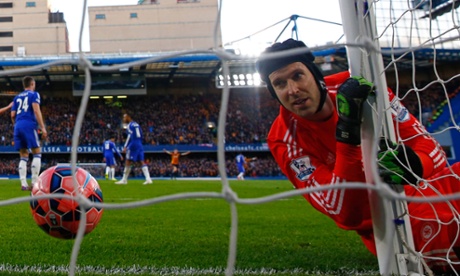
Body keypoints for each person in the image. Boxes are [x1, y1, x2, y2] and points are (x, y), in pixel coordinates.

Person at [255, 38, 460, 273]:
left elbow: (430, 147)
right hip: (388, 215)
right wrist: (347, 132)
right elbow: (344, 213)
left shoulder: (362, 86)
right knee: (441, 226)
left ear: (315, 74)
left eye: (298, 76)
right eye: (280, 83)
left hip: (426, 187)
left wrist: (414, 165)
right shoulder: (283, 138)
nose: (292, 90)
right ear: (274, 93)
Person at [11, 76, 47, 191]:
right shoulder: (34, 94)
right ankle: (35, 182)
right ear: (32, 84)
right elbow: (36, 110)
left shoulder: (16, 98)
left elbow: (12, 115)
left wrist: (16, 125)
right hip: (28, 125)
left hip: (18, 125)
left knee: (23, 155)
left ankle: (23, 183)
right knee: (36, 152)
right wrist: (42, 127)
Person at [115, 113, 152, 185]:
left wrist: (125, 146)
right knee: (141, 161)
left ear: (129, 117)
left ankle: (124, 180)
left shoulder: (129, 126)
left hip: (133, 144)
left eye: (125, 117)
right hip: (139, 143)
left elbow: (129, 136)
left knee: (128, 161)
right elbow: (141, 135)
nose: (124, 119)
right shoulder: (137, 124)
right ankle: (148, 179)